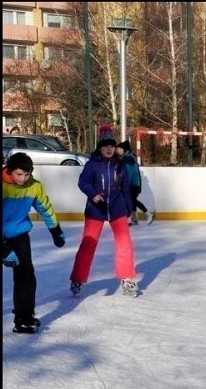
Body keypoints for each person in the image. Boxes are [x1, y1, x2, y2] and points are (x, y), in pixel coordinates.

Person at [69, 124, 139, 298]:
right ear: (100, 148)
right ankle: (78, 278)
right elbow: (83, 183)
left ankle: (127, 277)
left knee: (124, 243)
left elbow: (125, 189)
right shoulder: (92, 165)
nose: (108, 149)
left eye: (111, 146)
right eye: (105, 146)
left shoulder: (120, 166)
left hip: (117, 209)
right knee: (88, 243)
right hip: (96, 210)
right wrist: (93, 195)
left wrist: (129, 209)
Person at [2, 153, 65, 333]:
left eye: (27, 174)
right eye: (19, 174)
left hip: (20, 234)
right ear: (9, 170)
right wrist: (4, 248)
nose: (23, 178)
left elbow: (45, 207)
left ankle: (25, 317)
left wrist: (55, 230)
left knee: (26, 275)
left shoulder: (34, 186)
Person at [116, 141, 152, 226]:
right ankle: (134, 219)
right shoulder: (129, 157)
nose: (118, 151)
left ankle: (148, 214)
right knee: (132, 201)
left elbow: (129, 173)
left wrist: (124, 184)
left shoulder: (128, 158)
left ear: (124, 149)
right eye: (117, 149)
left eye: (119, 149)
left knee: (131, 201)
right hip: (134, 184)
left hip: (132, 184)